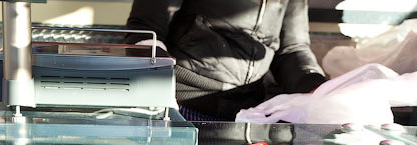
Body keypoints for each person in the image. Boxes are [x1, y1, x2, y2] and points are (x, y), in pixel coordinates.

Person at [126, 0, 326, 121]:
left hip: (249, 114)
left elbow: (292, 49)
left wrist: (318, 87)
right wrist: (159, 88)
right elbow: (143, 31)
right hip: (183, 105)